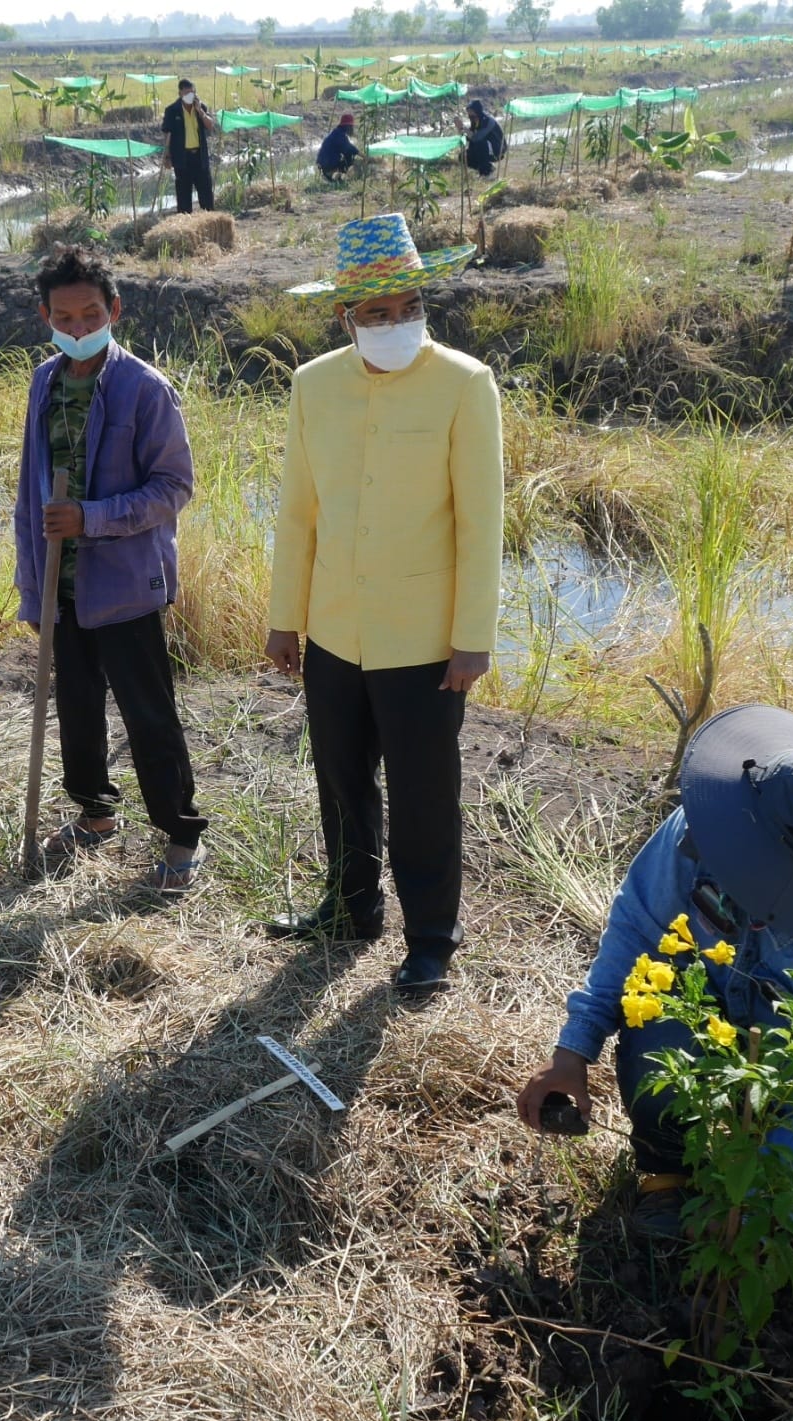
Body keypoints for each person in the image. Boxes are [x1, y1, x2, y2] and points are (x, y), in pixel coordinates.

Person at [514, 705, 793, 1238]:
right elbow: (637, 928)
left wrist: (756, 1201)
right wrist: (573, 1052)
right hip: (708, 1022)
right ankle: (667, 1172)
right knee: (655, 1022)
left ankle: (792, 1199)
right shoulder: (707, 829)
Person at [264, 214, 502, 997]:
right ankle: (349, 907)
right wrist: (284, 617)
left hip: (425, 641)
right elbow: (299, 513)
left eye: (408, 306)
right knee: (340, 780)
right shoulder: (314, 386)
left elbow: (480, 524)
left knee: (424, 792)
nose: (396, 323)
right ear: (346, 318)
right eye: (376, 313)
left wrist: (473, 638)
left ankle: (431, 935)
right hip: (334, 630)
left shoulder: (464, 384)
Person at [13, 245, 207, 893]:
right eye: (63, 317)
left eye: (89, 313)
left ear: (114, 310)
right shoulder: (44, 383)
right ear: (45, 316)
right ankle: (96, 815)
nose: (76, 328)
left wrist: (91, 518)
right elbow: (28, 495)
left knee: (148, 714)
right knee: (76, 708)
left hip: (126, 588)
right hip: (61, 590)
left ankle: (181, 838)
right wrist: (31, 585)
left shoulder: (145, 390)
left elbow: (174, 486)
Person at [161, 77, 218, 214]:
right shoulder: (172, 110)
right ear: (180, 93)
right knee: (184, 200)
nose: (189, 96)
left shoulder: (200, 107)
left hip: (199, 158)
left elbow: (210, 126)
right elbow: (167, 134)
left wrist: (200, 111)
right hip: (182, 160)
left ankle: (208, 224)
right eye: (186, 93)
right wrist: (167, 156)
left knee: (206, 197)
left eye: (192, 93)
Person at [464, 98, 506, 177]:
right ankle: (487, 168)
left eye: (471, 111)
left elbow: (477, 137)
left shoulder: (488, 121)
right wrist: (462, 131)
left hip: (497, 149)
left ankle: (486, 173)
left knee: (480, 144)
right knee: (464, 156)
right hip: (485, 148)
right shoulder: (474, 121)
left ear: (477, 111)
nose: (469, 114)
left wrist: (463, 128)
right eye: (468, 112)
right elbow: (469, 138)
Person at [318, 113, 361, 181]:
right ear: (348, 126)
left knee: (348, 155)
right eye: (351, 126)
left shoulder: (337, 133)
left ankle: (337, 175)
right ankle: (339, 176)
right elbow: (351, 148)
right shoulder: (340, 136)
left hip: (324, 167)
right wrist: (365, 157)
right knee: (350, 155)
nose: (352, 128)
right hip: (328, 168)